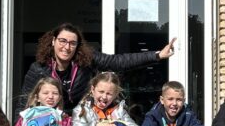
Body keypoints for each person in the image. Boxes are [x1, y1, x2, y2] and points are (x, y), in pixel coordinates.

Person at [20, 22, 177, 111]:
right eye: (62, 41)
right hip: (48, 122)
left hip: (80, 119)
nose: (67, 47)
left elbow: (117, 62)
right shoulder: (38, 68)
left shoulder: (86, 60)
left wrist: (157, 55)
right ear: (53, 41)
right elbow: (24, 102)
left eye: (72, 43)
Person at [72, 72, 142, 126]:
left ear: (115, 94)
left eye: (109, 94)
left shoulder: (119, 110)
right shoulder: (81, 110)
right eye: (101, 92)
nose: (104, 97)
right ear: (93, 89)